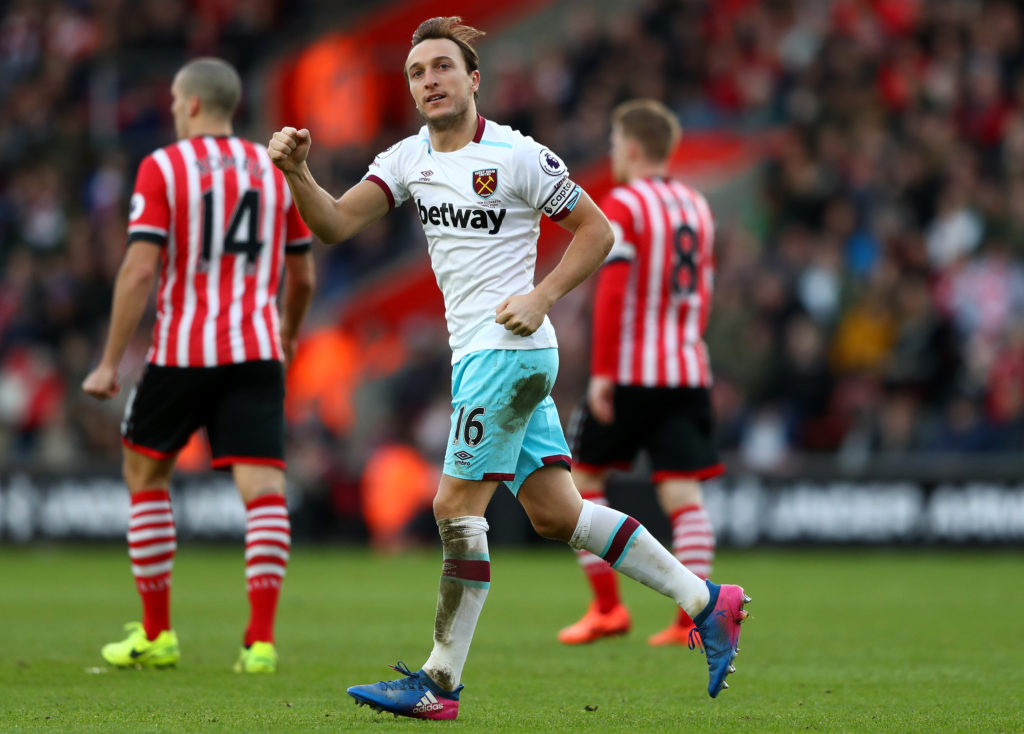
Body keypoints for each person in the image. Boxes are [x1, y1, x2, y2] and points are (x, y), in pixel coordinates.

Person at [268, 16, 749, 719]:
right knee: (559, 515)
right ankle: (707, 601)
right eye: (416, 72)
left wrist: (543, 293)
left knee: (453, 507)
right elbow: (336, 224)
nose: (429, 80)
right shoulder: (407, 160)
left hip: (509, 351)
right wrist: (298, 173)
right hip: (484, 357)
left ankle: (439, 683)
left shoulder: (520, 156)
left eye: (442, 68)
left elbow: (598, 230)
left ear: (473, 79)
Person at [82, 57, 315, 674]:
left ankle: (158, 634)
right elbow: (303, 273)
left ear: (188, 104)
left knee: (146, 475)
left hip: (184, 350)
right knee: (264, 493)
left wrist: (109, 362)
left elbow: (138, 268)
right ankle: (260, 642)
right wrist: (287, 333)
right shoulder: (273, 169)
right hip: (258, 348)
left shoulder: (163, 167)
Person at [559, 99, 725, 648]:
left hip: (630, 371)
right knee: (684, 494)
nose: (612, 154)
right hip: (686, 366)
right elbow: (703, 291)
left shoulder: (625, 205)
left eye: (613, 144)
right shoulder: (697, 205)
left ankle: (608, 608)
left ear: (632, 147)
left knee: (580, 485)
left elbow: (610, 294)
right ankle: (690, 619)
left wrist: (602, 373)